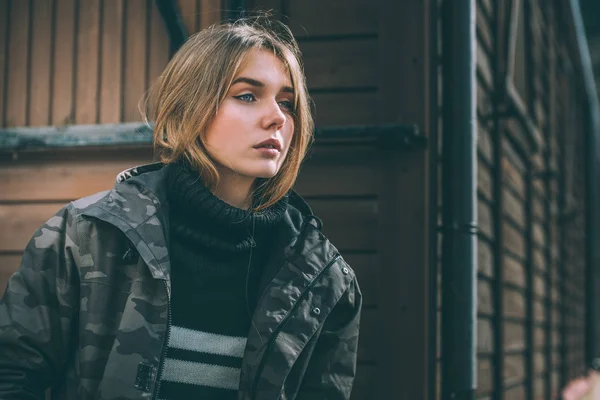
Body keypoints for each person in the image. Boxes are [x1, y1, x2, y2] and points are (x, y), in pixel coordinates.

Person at [0, 16, 362, 400]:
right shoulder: (83, 237)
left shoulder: (322, 280)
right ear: (189, 107)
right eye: (246, 95)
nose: (276, 117)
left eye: (287, 103)